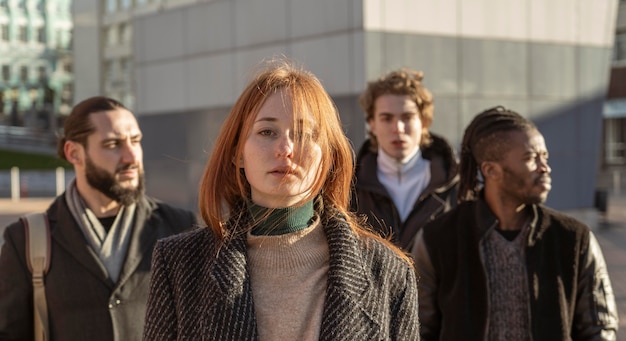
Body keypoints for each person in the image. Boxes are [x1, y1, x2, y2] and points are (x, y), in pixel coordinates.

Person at [143, 60, 420, 340]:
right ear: (238, 152)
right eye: (267, 132)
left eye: (302, 134)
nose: (285, 149)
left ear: (329, 155)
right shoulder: (180, 263)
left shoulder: (388, 272)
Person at [412, 106, 619, 340]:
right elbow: (418, 328)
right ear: (491, 170)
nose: (545, 168)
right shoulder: (439, 239)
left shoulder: (573, 238)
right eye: (531, 158)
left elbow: (599, 328)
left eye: (545, 157)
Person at [0, 96, 197, 340]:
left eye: (135, 141)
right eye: (113, 144)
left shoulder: (180, 227)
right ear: (74, 153)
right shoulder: (26, 240)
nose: (131, 157)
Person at [352, 68, 458, 252]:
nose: (398, 128)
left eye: (407, 117)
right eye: (386, 118)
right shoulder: (349, 187)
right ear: (372, 124)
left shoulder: (456, 185)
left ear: (424, 122)